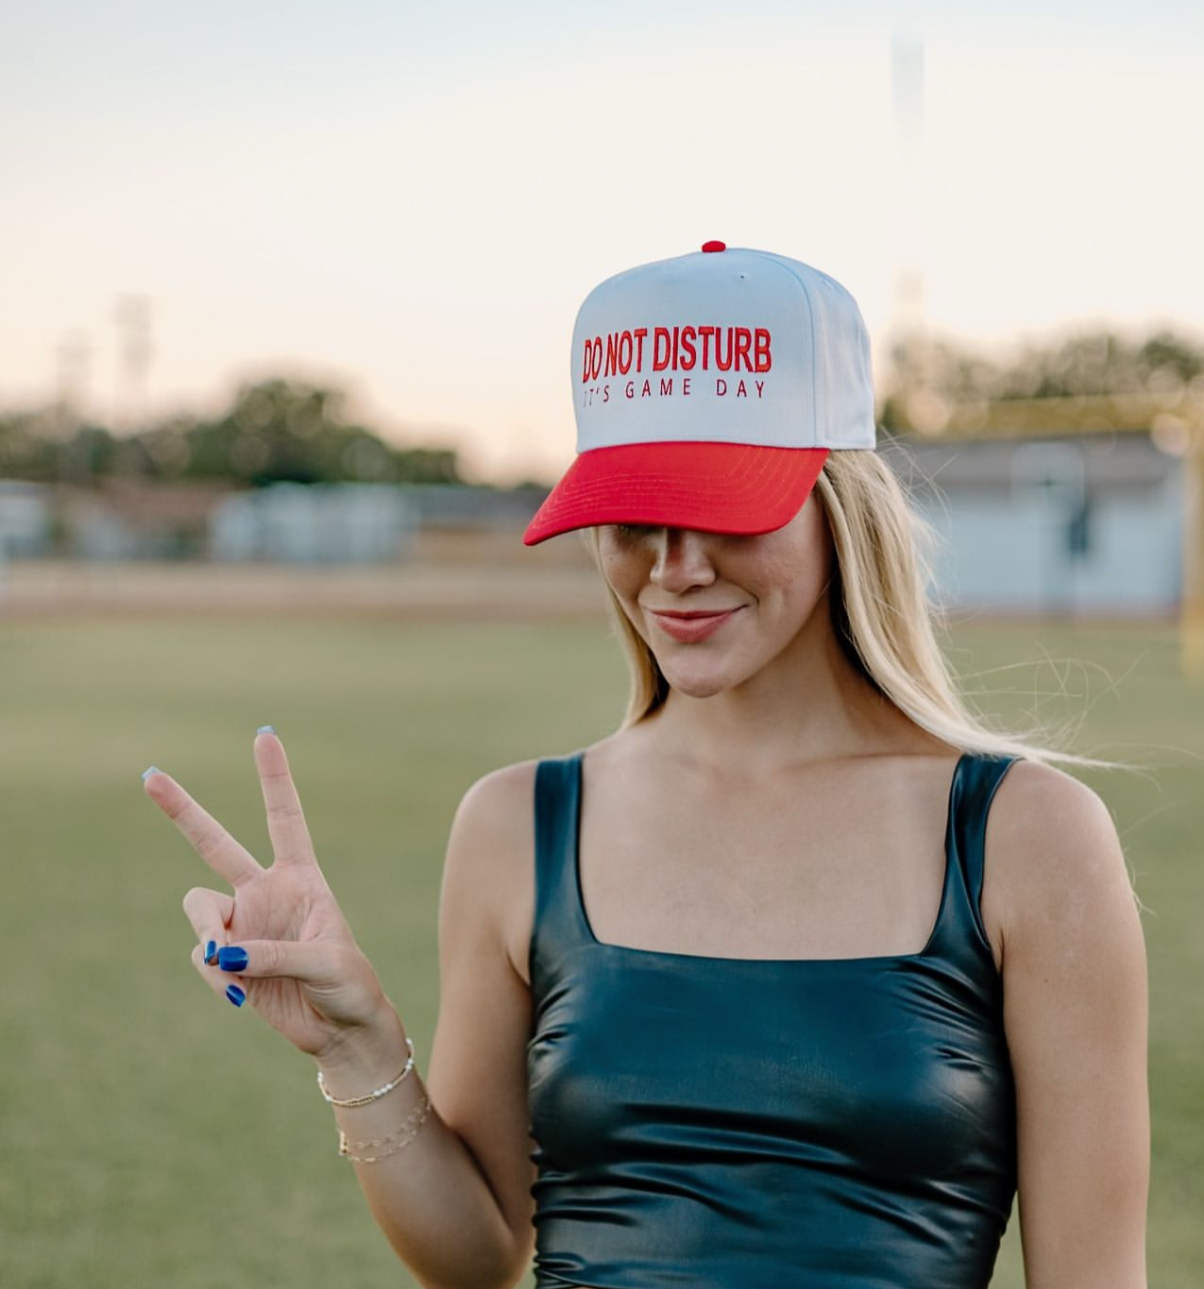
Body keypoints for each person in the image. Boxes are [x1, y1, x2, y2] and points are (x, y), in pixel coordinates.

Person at [142, 241, 1150, 1289]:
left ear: (839, 498)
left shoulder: (1026, 835)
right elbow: (479, 1251)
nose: (675, 567)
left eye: (724, 505)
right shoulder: (518, 821)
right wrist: (355, 1046)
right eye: (632, 515)